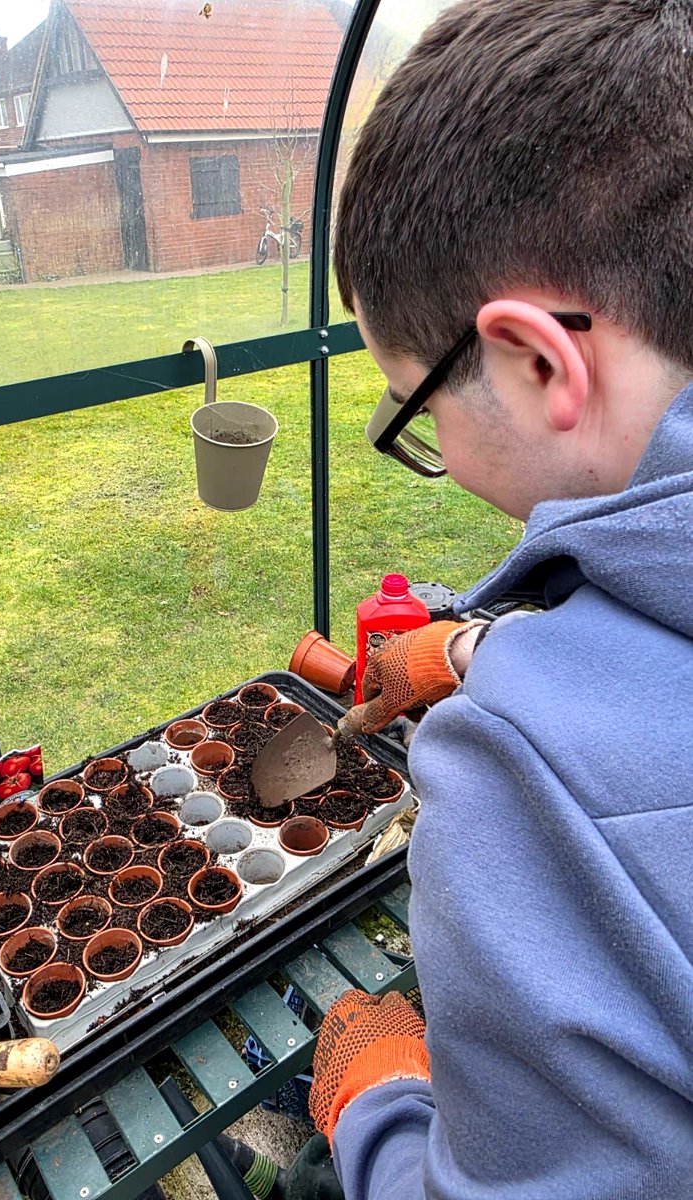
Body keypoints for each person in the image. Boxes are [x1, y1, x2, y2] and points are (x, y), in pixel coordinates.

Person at [305, 1, 693, 1196]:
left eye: (414, 411)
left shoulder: (528, 779)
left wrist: (377, 1107)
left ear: (536, 359)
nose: (426, 446)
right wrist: (476, 646)